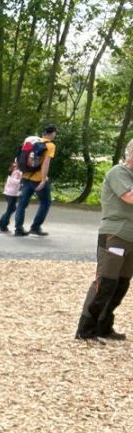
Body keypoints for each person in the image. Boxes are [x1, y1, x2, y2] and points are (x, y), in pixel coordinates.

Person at [75, 138, 133, 341]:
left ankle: (104, 326)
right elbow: (129, 196)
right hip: (115, 235)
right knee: (106, 282)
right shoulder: (119, 172)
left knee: (121, 285)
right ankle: (86, 329)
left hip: (131, 237)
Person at [13, 124, 57, 237]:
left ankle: (18, 229)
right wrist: (43, 180)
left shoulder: (32, 141)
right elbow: (45, 164)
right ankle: (35, 227)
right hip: (37, 179)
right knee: (46, 202)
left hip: (26, 176)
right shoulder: (50, 145)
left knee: (22, 204)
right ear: (52, 134)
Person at [0, 161, 21, 233]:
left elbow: (10, 180)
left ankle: (2, 224)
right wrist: (21, 180)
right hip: (11, 193)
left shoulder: (16, 171)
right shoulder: (17, 172)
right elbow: (13, 181)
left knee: (12, 209)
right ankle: (1, 224)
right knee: (11, 209)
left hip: (11, 193)